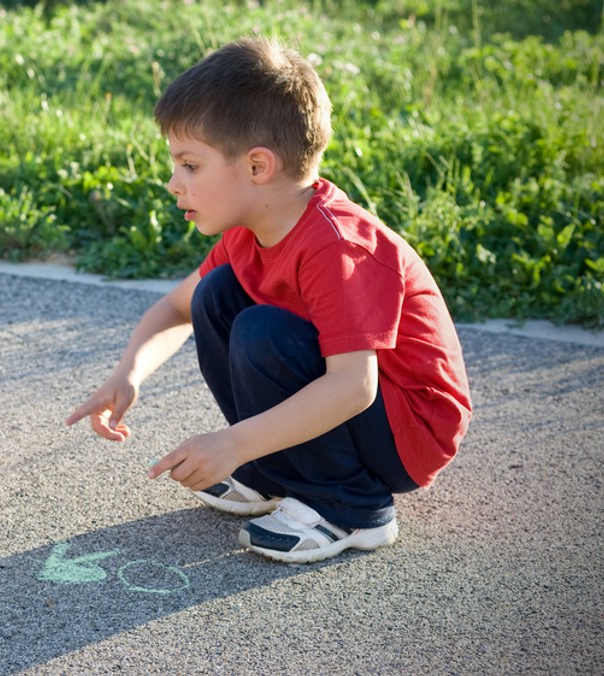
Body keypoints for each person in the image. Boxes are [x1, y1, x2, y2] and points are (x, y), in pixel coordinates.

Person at [65, 37, 472, 564]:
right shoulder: (249, 230)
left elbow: (353, 387)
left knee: (263, 332)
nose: (172, 183)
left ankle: (353, 507)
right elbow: (174, 309)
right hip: (362, 406)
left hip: (407, 429)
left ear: (258, 167)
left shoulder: (336, 246)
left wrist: (233, 443)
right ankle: (277, 473)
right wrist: (128, 374)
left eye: (189, 165)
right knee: (216, 295)